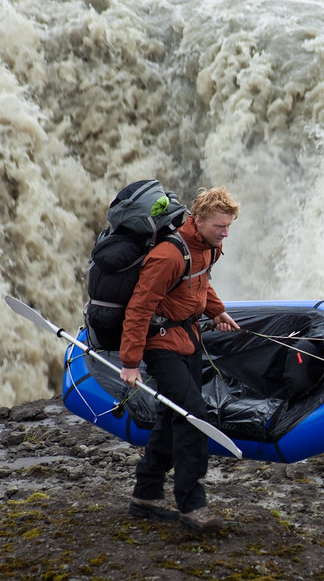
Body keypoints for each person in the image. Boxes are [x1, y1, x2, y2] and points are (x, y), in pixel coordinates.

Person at [118, 186, 241, 532]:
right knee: (191, 414)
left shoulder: (209, 248)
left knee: (170, 418)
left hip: (188, 338)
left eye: (229, 227)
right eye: (219, 226)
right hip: (161, 345)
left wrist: (218, 311)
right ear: (197, 220)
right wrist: (130, 362)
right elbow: (139, 307)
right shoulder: (169, 255)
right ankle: (192, 504)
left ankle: (145, 494)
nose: (225, 233)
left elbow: (201, 283)